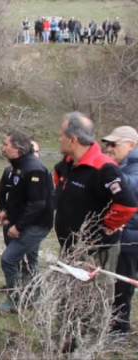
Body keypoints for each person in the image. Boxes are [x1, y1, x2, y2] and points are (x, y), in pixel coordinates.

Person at [53, 113, 137, 339]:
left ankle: (89, 341)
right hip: (70, 245)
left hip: (95, 249)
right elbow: (59, 192)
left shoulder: (104, 168)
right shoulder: (65, 166)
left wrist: (108, 225)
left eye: (60, 135)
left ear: (72, 139)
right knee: (67, 294)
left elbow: (127, 205)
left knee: (93, 296)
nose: (57, 139)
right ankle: (66, 337)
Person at [0, 132, 53, 313]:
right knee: (27, 260)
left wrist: (18, 227)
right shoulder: (17, 167)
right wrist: (6, 213)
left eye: (6, 144)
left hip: (36, 225)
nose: (3, 148)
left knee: (9, 259)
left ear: (18, 150)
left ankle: (16, 300)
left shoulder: (34, 169)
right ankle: (32, 293)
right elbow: (18, 197)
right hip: (22, 220)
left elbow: (37, 204)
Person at [101, 126, 138, 338]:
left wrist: (106, 169)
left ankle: (119, 331)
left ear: (131, 145)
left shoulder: (133, 167)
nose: (109, 148)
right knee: (115, 282)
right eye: (107, 144)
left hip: (132, 237)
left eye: (114, 144)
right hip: (123, 233)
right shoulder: (123, 164)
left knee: (124, 284)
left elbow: (129, 186)